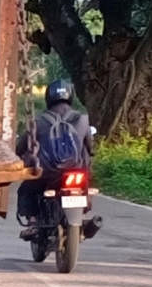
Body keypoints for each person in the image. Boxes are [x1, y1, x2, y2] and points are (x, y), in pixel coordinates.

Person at [15, 79, 94, 237]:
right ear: (70, 96)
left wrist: (19, 155)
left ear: (48, 98)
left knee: (26, 189)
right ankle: (83, 212)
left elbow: (22, 146)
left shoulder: (38, 121)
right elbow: (90, 148)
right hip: (76, 171)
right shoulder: (82, 119)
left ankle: (32, 220)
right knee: (86, 184)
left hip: (46, 173)